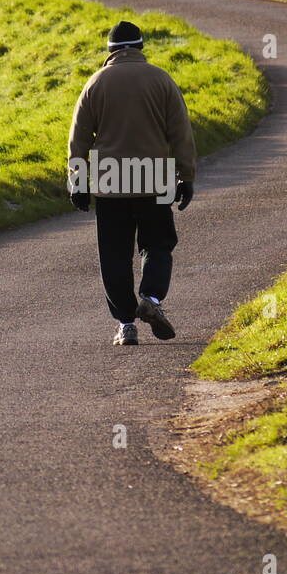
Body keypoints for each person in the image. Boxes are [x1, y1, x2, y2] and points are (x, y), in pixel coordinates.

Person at [67, 20, 196, 345]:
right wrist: (185, 177)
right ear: (140, 48)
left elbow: (78, 140)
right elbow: (180, 134)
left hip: (110, 178)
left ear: (110, 51)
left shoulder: (95, 83)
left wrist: (78, 181)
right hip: (155, 176)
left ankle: (126, 324)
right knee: (158, 245)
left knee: (114, 255)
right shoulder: (162, 80)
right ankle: (151, 299)